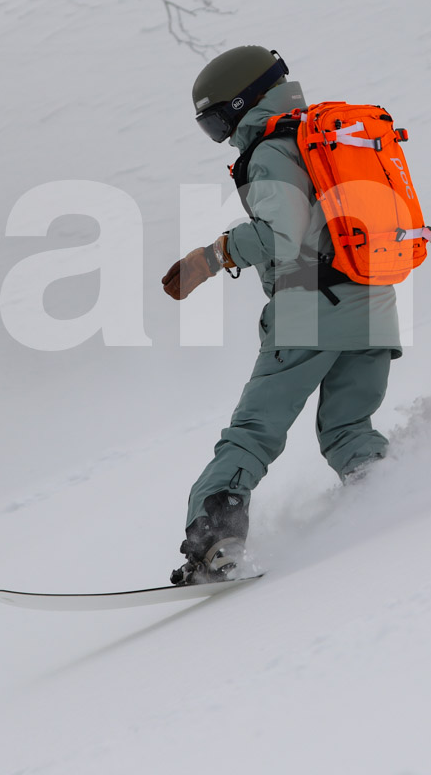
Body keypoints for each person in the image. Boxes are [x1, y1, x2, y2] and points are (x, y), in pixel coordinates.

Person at [162, 46, 401, 585]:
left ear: (243, 102)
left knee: (253, 432)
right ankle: (394, 493)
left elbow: (282, 235)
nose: (221, 135)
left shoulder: (271, 149)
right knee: (347, 429)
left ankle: (215, 539)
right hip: (374, 303)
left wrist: (211, 257)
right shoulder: (326, 139)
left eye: (217, 121)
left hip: (310, 310)